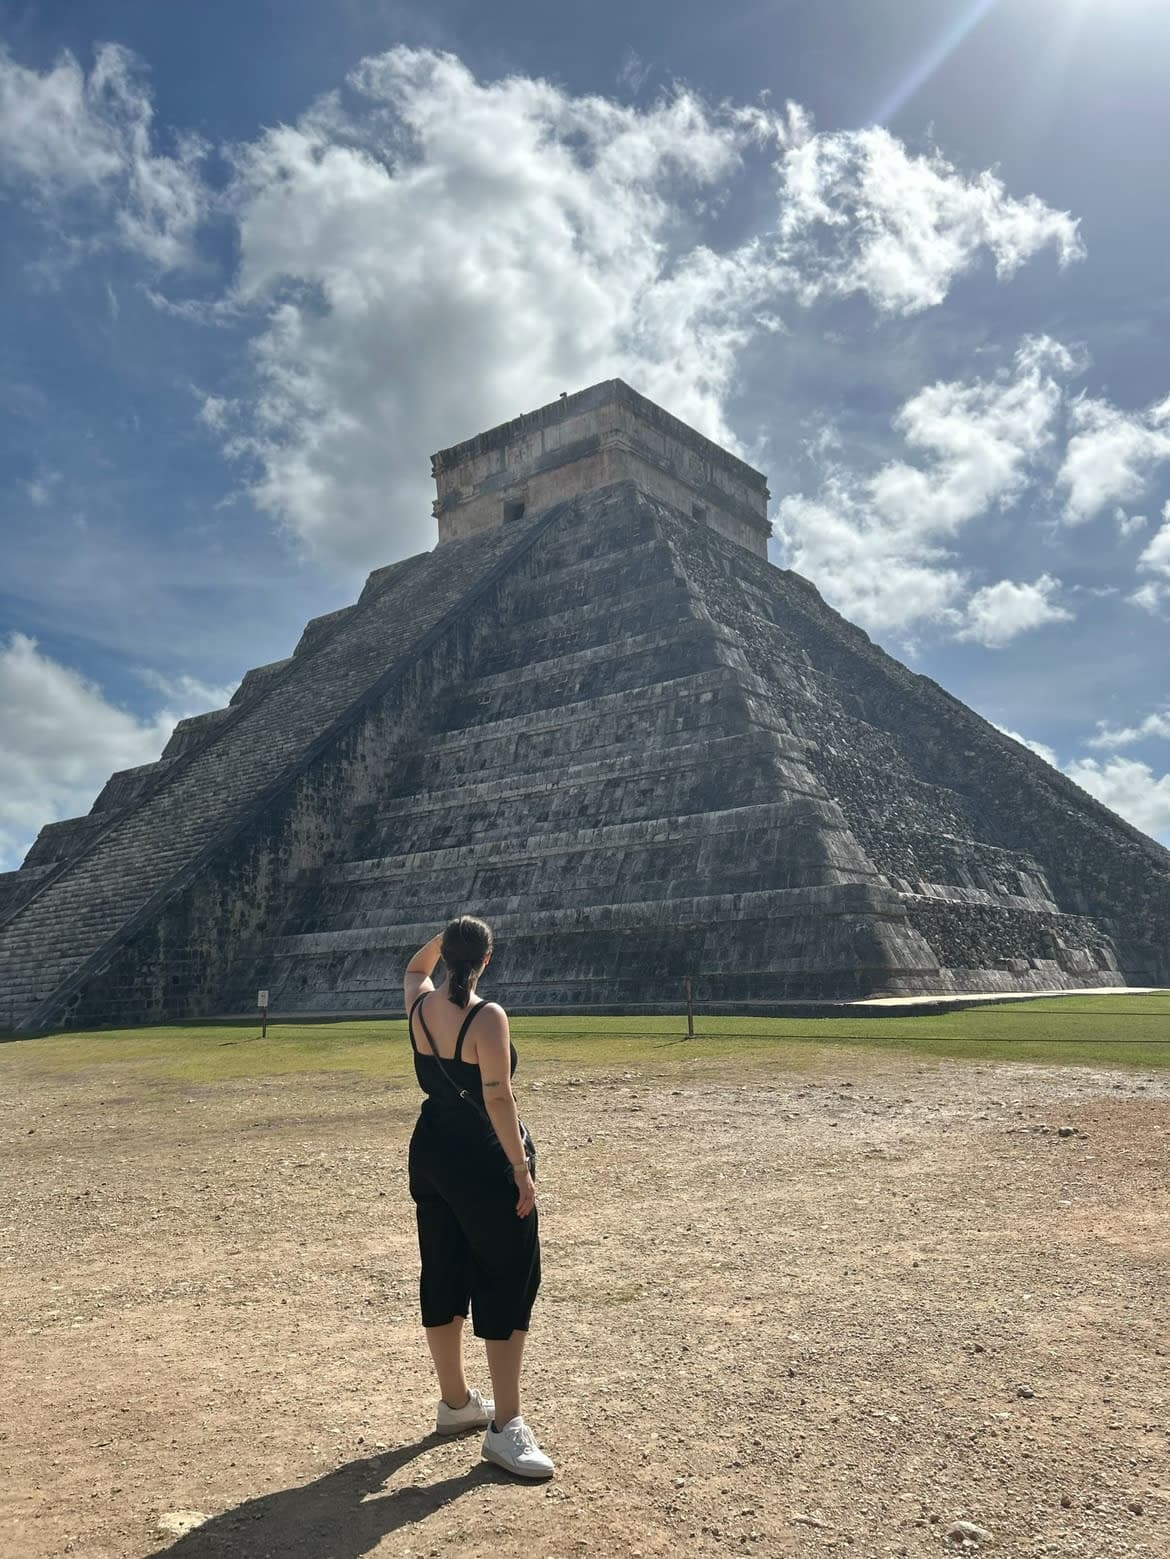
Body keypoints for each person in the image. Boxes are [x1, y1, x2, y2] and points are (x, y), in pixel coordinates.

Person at [403, 915, 552, 1478]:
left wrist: (443, 939)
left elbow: (415, 967)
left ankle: (456, 1403)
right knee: (507, 1274)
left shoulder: (419, 1005)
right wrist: (521, 1169)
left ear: (448, 956)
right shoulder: (487, 1017)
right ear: (486, 960)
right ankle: (505, 1425)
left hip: (432, 1152)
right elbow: (499, 1099)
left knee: (441, 1267)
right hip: (483, 1159)